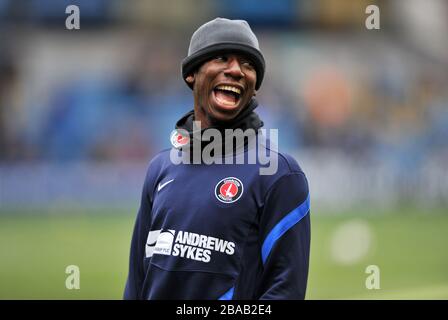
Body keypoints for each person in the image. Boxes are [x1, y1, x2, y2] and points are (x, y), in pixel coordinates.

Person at [124, 17, 310, 300]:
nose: (236, 70)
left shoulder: (278, 174)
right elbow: (137, 284)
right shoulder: (160, 168)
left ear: (255, 85)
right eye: (222, 58)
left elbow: (286, 293)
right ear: (191, 75)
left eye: (248, 65)